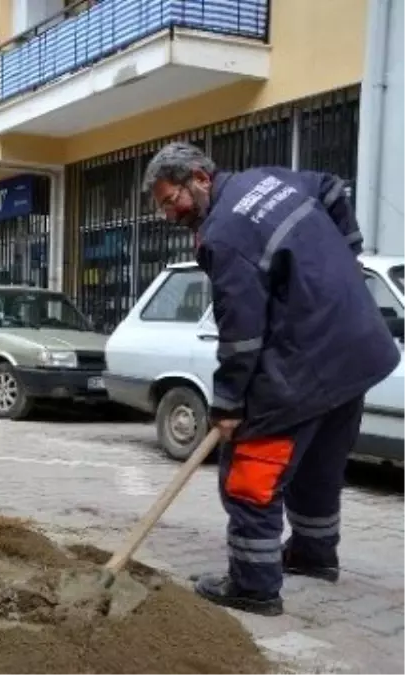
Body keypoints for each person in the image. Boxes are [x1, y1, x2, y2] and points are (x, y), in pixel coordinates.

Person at [143, 142, 400, 616]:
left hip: (306, 364)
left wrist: (227, 405)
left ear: (199, 177)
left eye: (168, 199)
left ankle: (254, 586)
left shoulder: (222, 234)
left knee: (250, 475)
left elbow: (241, 335)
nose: (167, 214)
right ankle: (313, 555)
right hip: (358, 350)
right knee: (320, 463)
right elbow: (332, 187)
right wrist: (347, 256)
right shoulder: (273, 180)